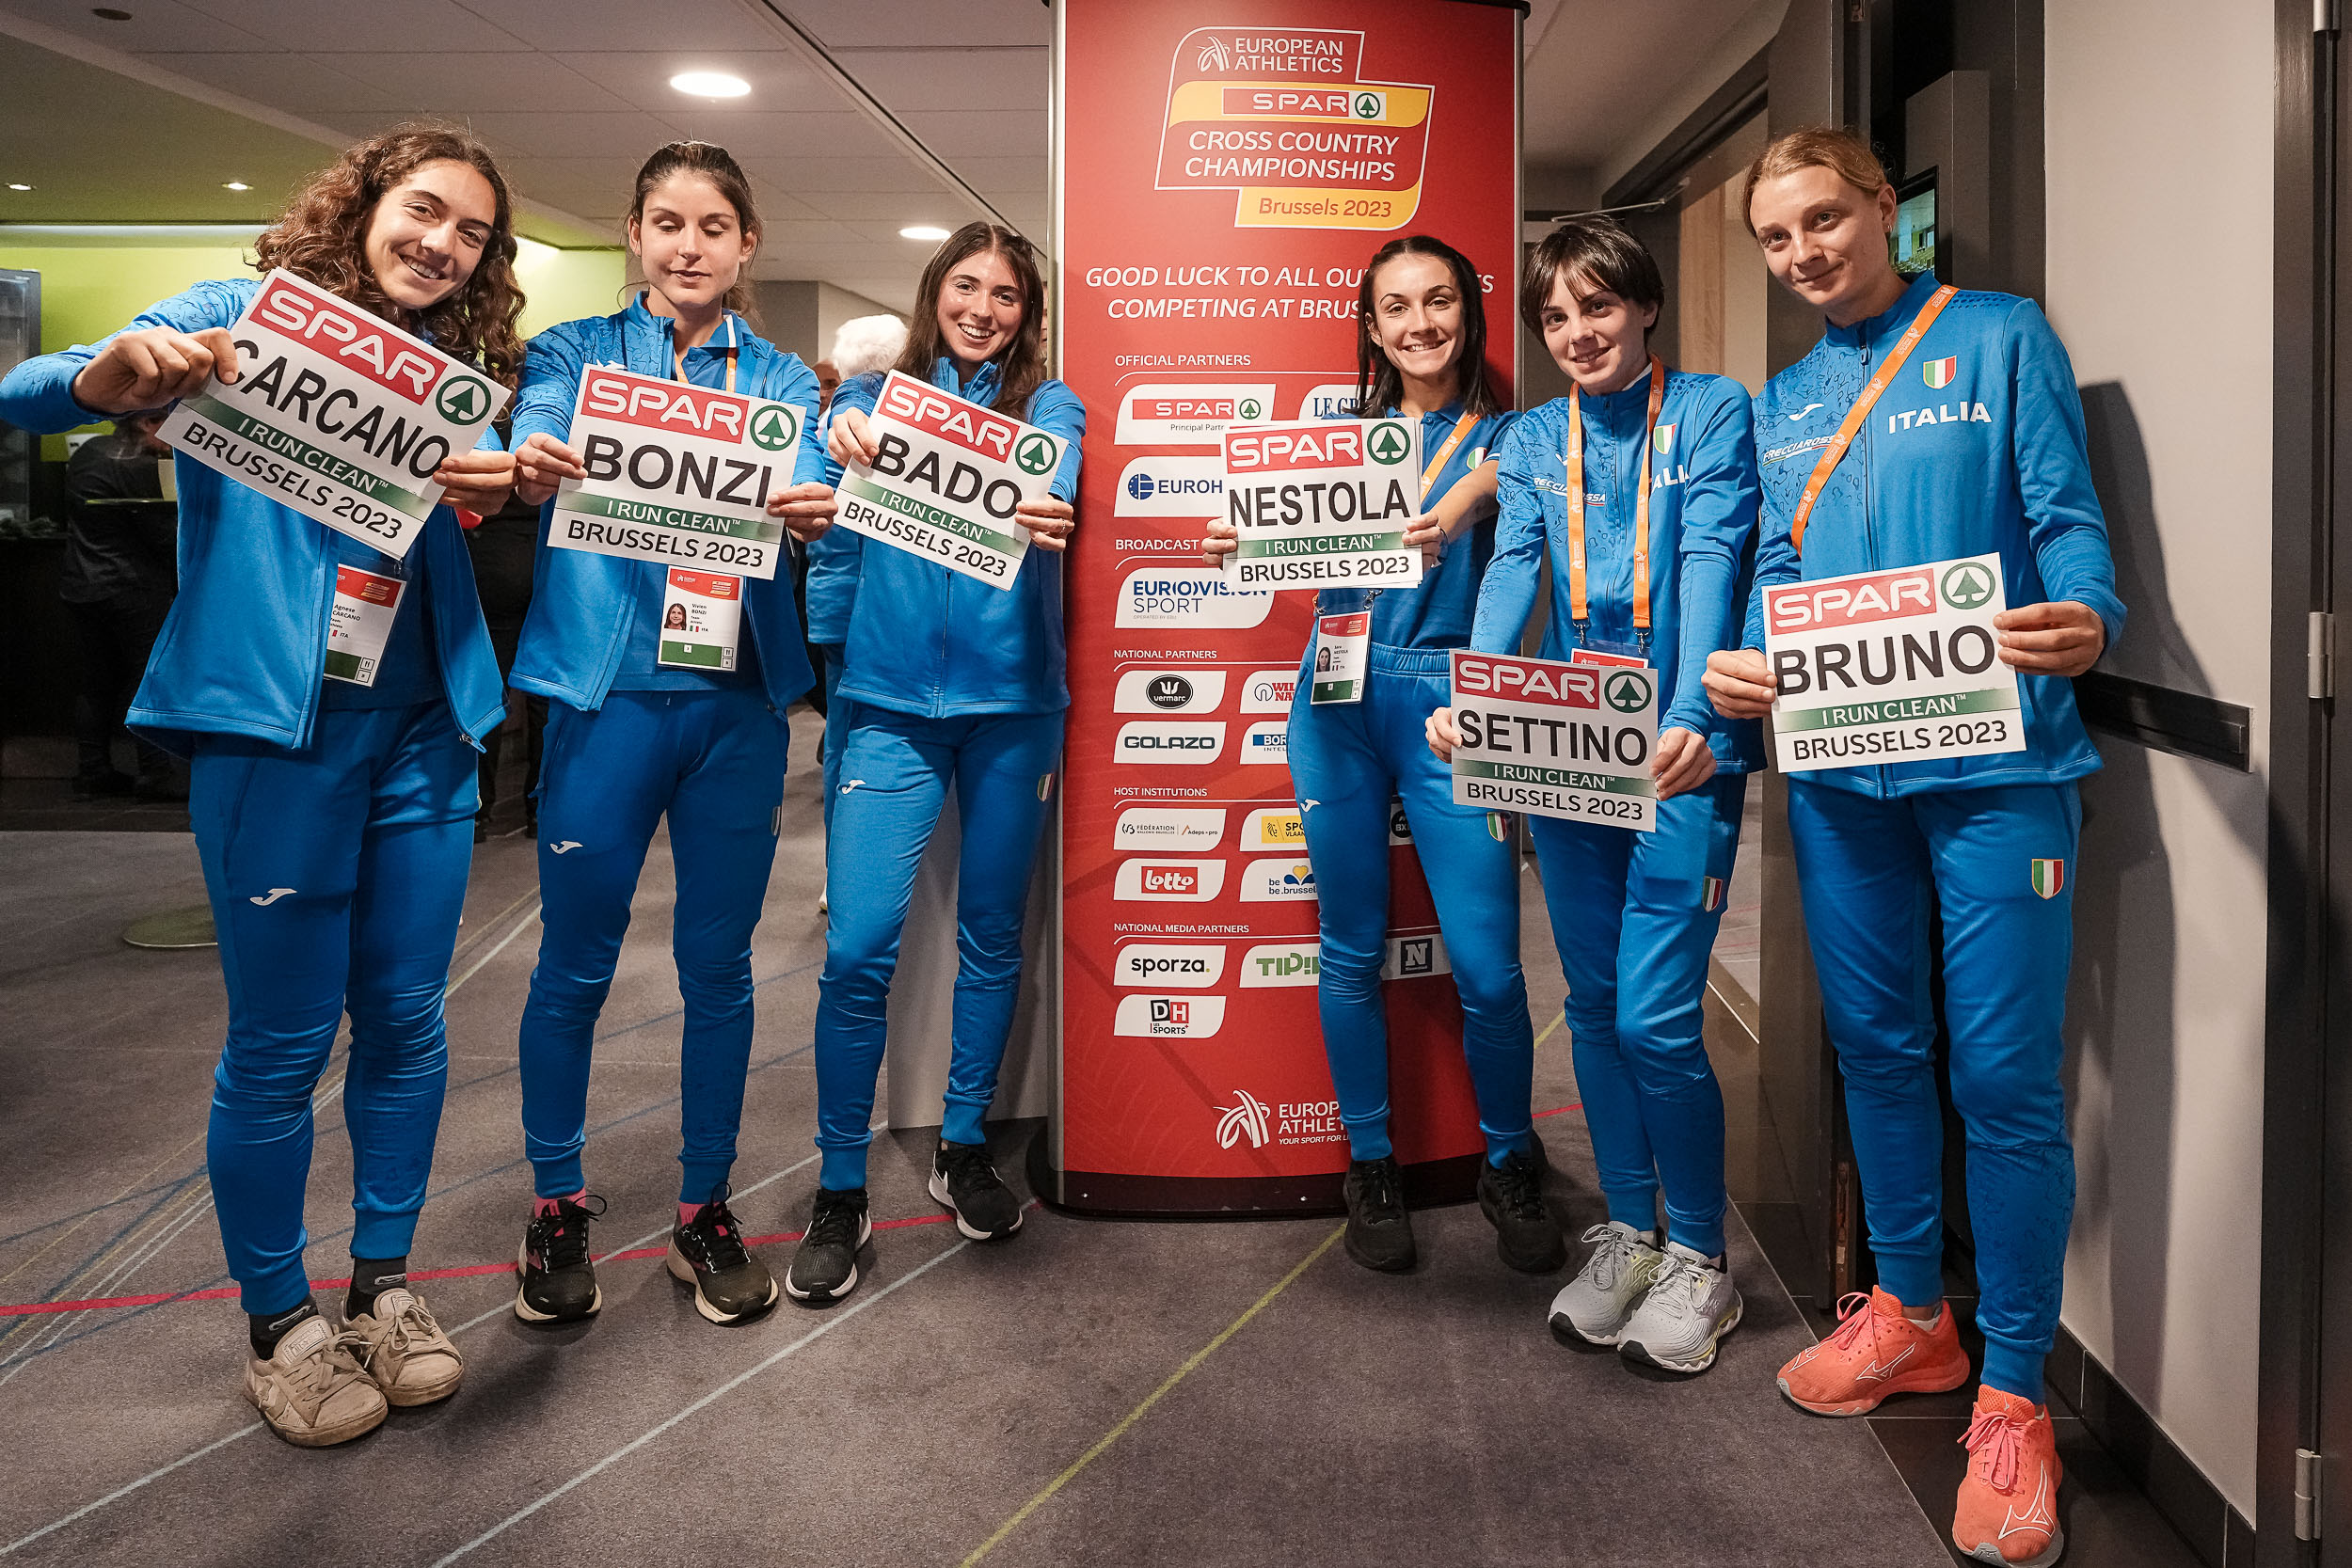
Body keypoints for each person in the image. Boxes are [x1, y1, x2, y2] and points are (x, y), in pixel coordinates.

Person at [0, 123, 525, 1447]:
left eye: (470, 232)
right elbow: (32, 389)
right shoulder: (242, 314)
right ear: (365, 203)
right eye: (424, 209)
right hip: (273, 732)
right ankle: (278, 1319)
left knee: (407, 1021)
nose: (442, 243)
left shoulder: (452, 374)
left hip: (425, 728)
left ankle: (383, 1284)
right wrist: (111, 373)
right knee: (283, 1042)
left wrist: (498, 481)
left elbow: (465, 513)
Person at [1701, 126, 2120, 1564]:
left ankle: (2014, 1396)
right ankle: (1910, 1315)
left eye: (1823, 219)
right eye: (1776, 236)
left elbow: (2066, 520)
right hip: (1841, 772)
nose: (1802, 253)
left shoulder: (2000, 336)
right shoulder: (1786, 398)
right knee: (1876, 1047)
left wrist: (2091, 615)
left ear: (1885, 209)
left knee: (2003, 1077)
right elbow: (1778, 567)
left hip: (2002, 766)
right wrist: (1747, 653)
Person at [503, 141, 834, 1328]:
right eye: (666, 223)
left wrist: (813, 503)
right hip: (604, 701)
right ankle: (555, 1203)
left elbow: (806, 468)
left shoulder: (782, 377)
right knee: (574, 964)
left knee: (718, 966)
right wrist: (536, 457)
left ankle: (704, 1205)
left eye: (712, 227)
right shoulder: (573, 351)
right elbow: (539, 425)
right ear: (635, 234)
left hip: (732, 706)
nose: (688, 246)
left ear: (746, 245)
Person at [1429, 215, 1761, 1372]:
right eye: (1556, 315)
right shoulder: (1530, 435)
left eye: (1599, 306)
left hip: (1674, 746)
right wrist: (1477, 690)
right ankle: (1629, 1230)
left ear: (1645, 305)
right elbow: (1514, 564)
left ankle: (1702, 1255)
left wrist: (1693, 710)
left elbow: (1713, 553)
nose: (1577, 331)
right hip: (1568, 741)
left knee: (1655, 1018)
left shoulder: (1710, 408)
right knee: (1595, 1001)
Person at [1200, 234, 1555, 1276]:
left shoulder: (1518, 433)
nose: (1419, 323)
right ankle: (1370, 1161)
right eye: (1395, 307)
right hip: (1336, 698)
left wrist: (1462, 498)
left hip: (1452, 704)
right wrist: (1244, 542)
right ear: (1371, 325)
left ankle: (1508, 1158)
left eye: (1438, 300)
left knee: (1487, 965)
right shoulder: (1335, 434)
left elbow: (1512, 471)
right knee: (1349, 947)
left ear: (1467, 312)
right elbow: (1280, 534)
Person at [787, 224, 1081, 1306]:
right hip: (889, 707)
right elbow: (813, 488)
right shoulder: (873, 399)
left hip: (1012, 709)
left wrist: (1047, 502)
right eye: (966, 286)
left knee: (993, 936)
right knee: (857, 947)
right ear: (934, 292)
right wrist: (838, 438)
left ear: (1026, 311)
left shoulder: (1051, 405)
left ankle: (963, 1142)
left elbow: (1057, 474)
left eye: (1005, 293)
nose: (983, 308)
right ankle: (838, 1183)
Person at [804, 312, 910, 803]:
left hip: (834, 603)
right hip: (872, 606)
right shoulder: (886, 435)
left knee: (845, 734)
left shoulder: (820, 432)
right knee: (865, 736)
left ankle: (842, 838)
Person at [58, 409, 184, 801]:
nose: (173, 443)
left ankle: (93, 772)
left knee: (96, 684)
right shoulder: (138, 465)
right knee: (145, 676)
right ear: (147, 422)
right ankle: (155, 772)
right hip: (132, 587)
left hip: (81, 584)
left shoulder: (89, 452)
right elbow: (163, 538)